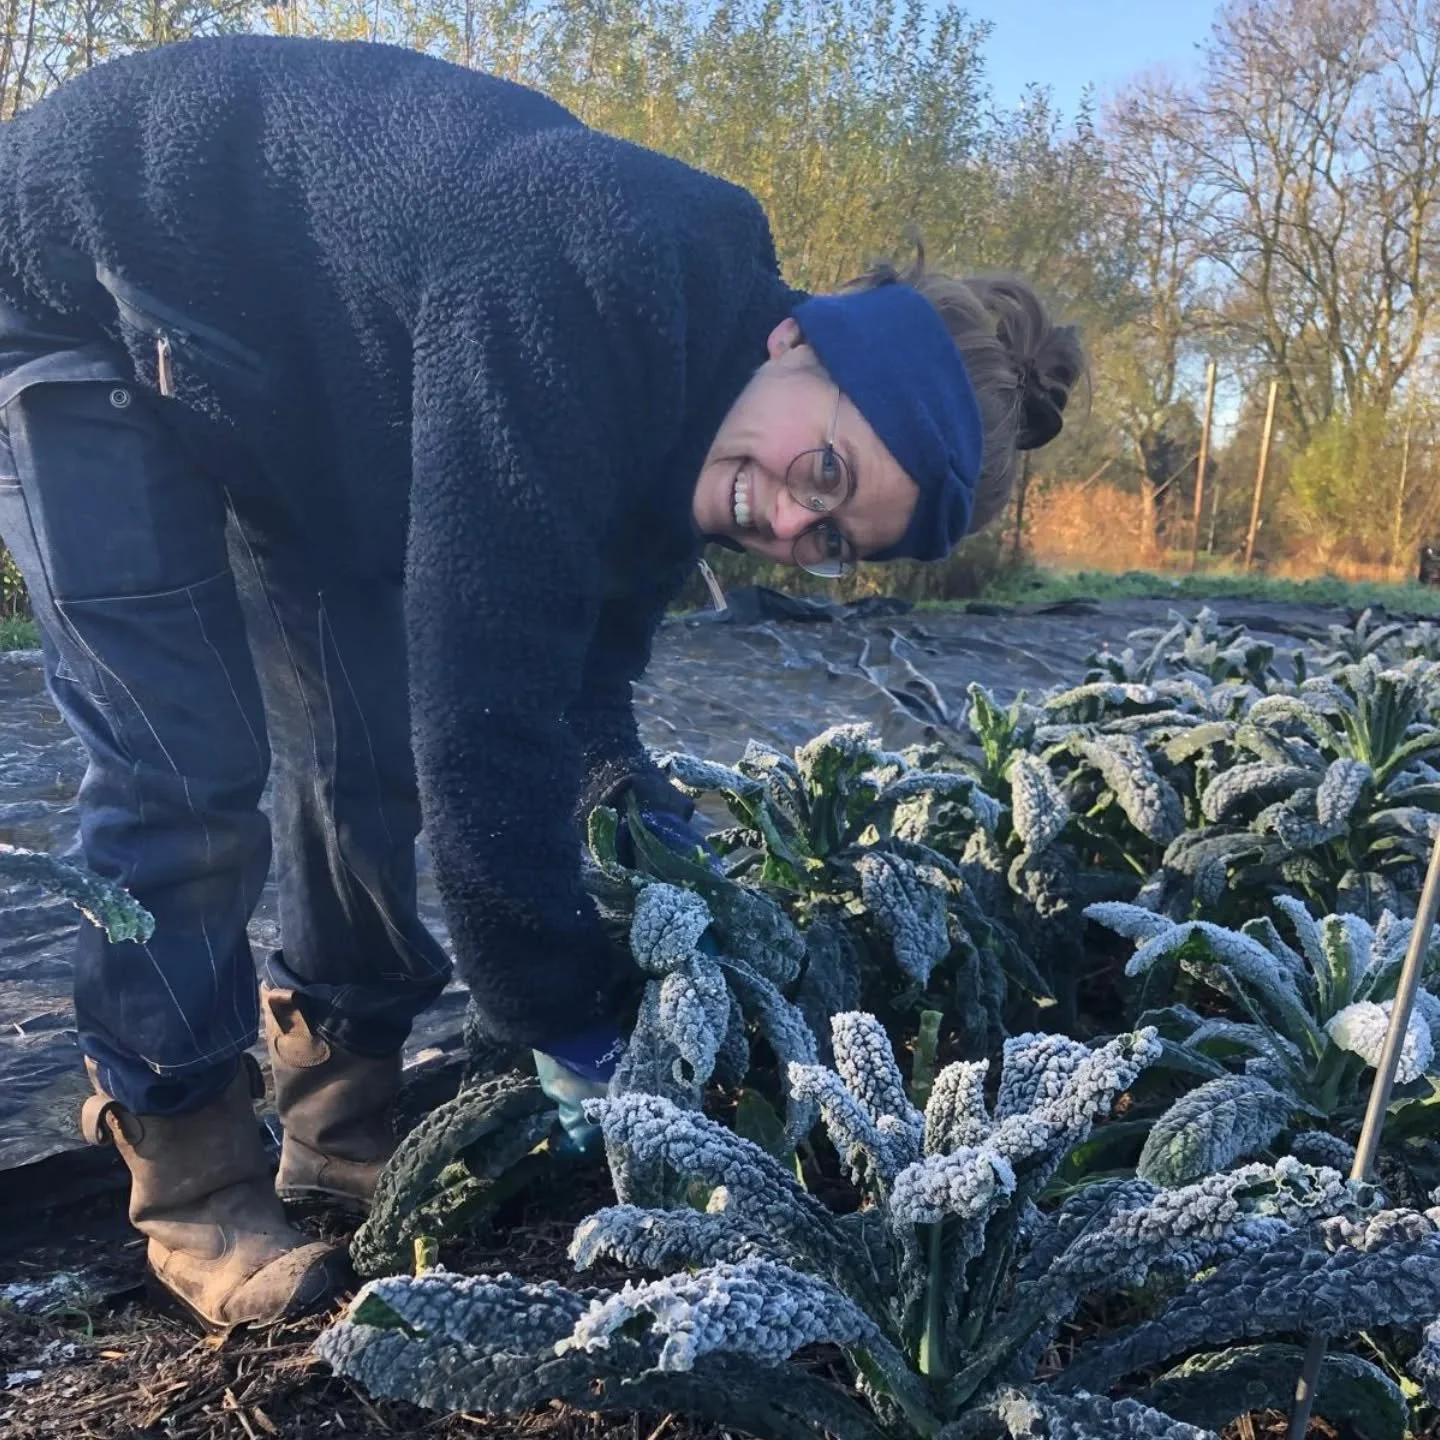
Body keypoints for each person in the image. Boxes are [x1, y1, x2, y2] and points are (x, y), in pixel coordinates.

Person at [0, 34, 1084, 1330]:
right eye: (829, 472)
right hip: (82, 281)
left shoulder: (700, 434)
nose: (795, 525)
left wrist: (671, 879)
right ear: (800, 340)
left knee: (364, 750)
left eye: (835, 539)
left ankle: (337, 1107)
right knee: (181, 757)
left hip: (285, 382)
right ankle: (183, 1153)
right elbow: (487, 710)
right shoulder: (599, 262)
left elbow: (587, 707)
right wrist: (563, 1024)